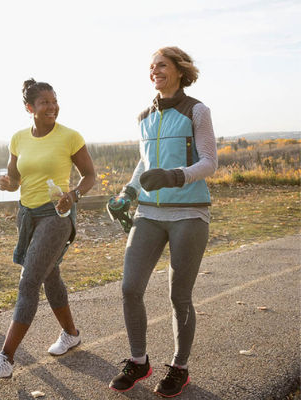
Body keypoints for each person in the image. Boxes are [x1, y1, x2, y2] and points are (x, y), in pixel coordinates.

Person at [107, 47, 218, 397]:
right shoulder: (144, 116)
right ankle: (138, 361)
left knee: (179, 296)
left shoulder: (196, 110)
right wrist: (127, 192)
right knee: (129, 288)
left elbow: (209, 162)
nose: (155, 70)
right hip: (149, 215)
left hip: (189, 213)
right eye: (151, 66)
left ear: (180, 70)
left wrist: (174, 176)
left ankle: (179, 368)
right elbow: (144, 165)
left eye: (162, 65)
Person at [0, 79, 95, 378]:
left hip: (57, 215)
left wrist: (74, 195)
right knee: (49, 275)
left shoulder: (70, 136)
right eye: (44, 102)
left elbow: (89, 175)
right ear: (29, 107)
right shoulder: (18, 139)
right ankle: (71, 333)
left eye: (54, 101)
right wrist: (7, 183)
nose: (52, 106)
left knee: (29, 281)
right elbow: (15, 179)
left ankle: (5, 358)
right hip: (27, 216)